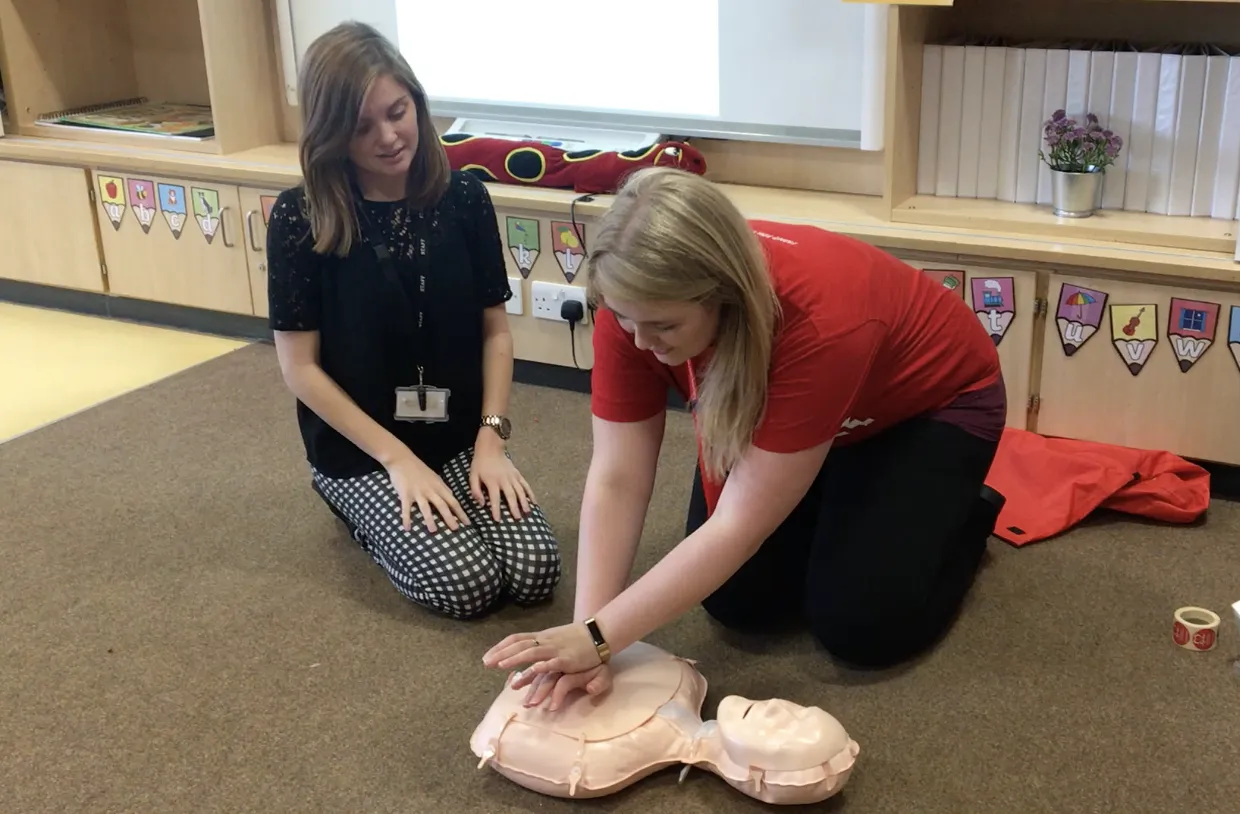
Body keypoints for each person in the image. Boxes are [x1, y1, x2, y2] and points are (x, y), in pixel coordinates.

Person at [483, 166, 1006, 706]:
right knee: (737, 602)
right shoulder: (633, 306)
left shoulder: (823, 322)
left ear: (722, 299)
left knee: (862, 628)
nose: (640, 342)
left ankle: (960, 515)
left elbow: (735, 527)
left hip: (928, 412)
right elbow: (618, 476)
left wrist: (597, 639)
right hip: (805, 415)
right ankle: (827, 492)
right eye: (625, 320)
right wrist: (588, 633)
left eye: (663, 327)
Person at [266, 22, 561, 620]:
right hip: (364, 452)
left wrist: (491, 439)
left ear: (417, 103)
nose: (389, 136)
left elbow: (495, 333)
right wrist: (398, 461)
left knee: (534, 571)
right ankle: (348, 504)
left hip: (457, 435)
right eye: (361, 126)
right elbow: (300, 370)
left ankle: (444, 482)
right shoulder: (301, 216)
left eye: (397, 112)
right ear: (331, 134)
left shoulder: (466, 198)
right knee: (468, 586)